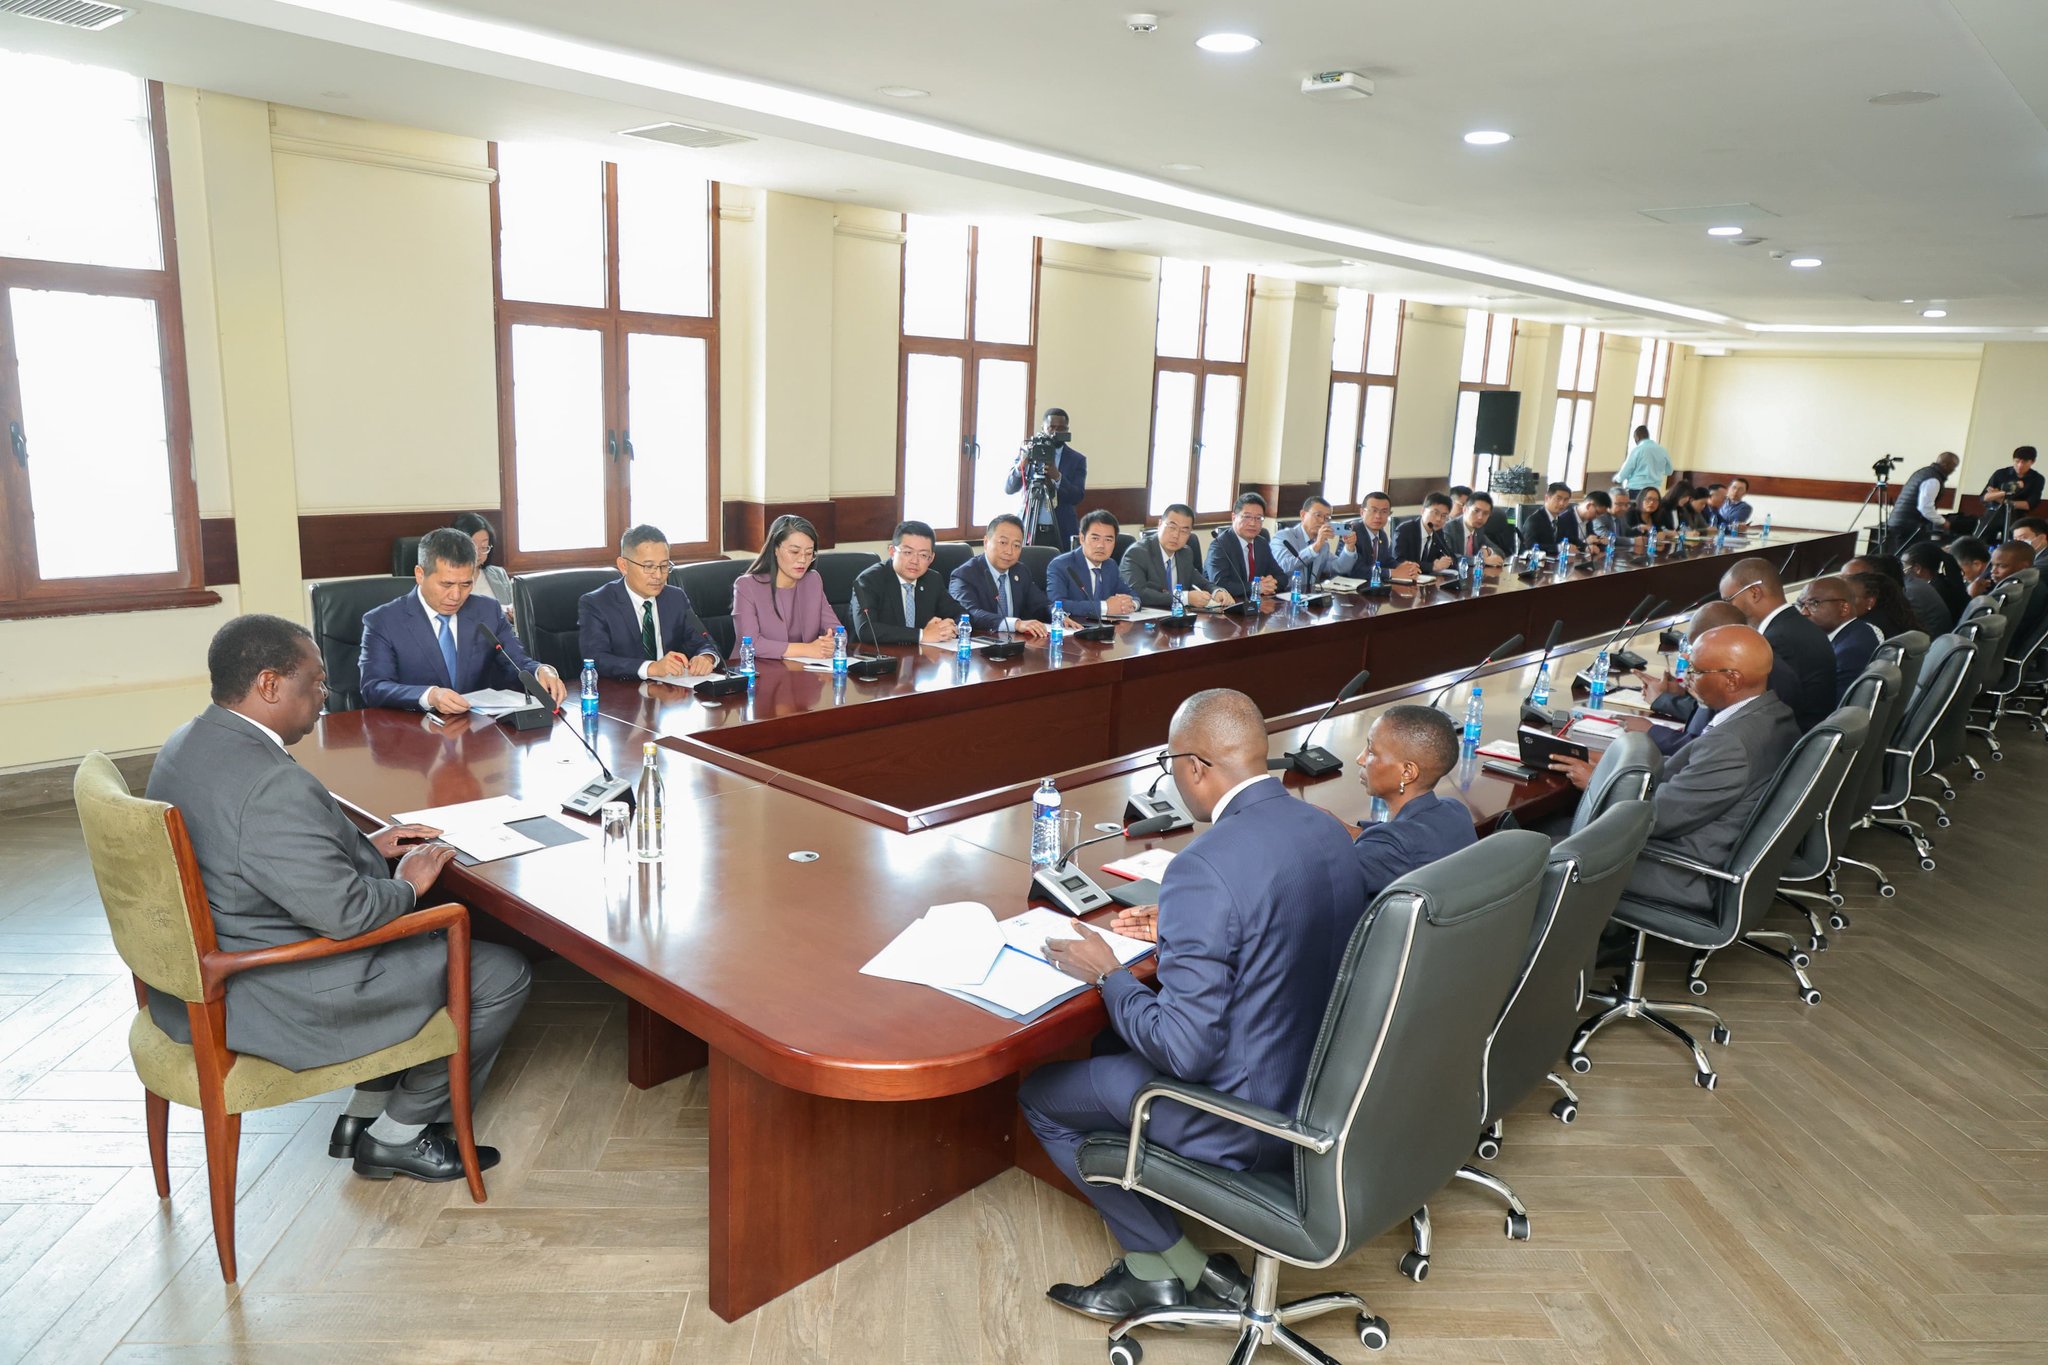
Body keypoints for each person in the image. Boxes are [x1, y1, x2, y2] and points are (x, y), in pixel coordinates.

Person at [1022, 688, 1368, 1320]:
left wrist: (1108, 976)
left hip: (1242, 1115)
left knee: (1041, 1096)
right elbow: (1281, 926)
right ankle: (1177, 1257)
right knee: (1105, 1050)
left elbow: (1184, 1052)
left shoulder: (1203, 868)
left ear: (1195, 767)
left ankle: (1166, 1263)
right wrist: (1184, 929)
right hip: (1320, 1086)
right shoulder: (1323, 826)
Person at [149, 614, 529, 1183]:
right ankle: (397, 1137)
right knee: (501, 970)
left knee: (432, 945)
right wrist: (409, 882)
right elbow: (347, 914)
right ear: (270, 685)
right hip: (275, 991)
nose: (324, 696)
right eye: (317, 682)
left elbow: (260, 856)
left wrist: (368, 847)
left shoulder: (191, 742)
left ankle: (363, 1113)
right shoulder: (270, 782)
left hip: (207, 970)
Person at [1550, 625, 1799, 912]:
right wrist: (1614, 761)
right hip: (1703, 843)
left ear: (1732, 680)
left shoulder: (1731, 744)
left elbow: (1656, 817)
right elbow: (1690, 773)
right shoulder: (1772, 714)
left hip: (1682, 868)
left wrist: (1601, 782)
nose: (1687, 678)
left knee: (1542, 853)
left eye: (1696, 671)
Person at [362, 529, 566, 713]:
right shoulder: (383, 621)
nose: (456, 595)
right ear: (420, 574)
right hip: (415, 736)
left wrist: (542, 671)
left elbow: (516, 662)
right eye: (446, 584)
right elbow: (374, 687)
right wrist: (430, 696)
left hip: (479, 733)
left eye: (466, 584)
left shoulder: (488, 611)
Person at [1349, 705, 1477, 898]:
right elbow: (1405, 833)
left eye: (1372, 751)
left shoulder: (1391, 849)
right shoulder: (1456, 810)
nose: (1360, 759)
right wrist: (1341, 828)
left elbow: (1319, 878)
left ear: (1407, 772)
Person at [577, 524, 723, 682]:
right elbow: (596, 659)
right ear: (623, 566)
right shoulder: (597, 603)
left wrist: (706, 657)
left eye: (664, 566)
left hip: (672, 694)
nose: (659, 575)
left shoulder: (675, 598)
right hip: (624, 695)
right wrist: (652, 668)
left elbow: (703, 641)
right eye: (648, 567)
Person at [1718, 558, 1835, 731]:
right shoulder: (1797, 626)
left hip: (1789, 744)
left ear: (1754, 593)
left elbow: (1756, 711)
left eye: (1729, 600)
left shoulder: (1777, 641)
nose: (1727, 609)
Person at [1631, 602, 1748, 756]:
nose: (1689, 657)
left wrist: (1650, 730)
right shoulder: (1738, 665)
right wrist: (1682, 692)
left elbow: (1701, 748)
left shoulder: (1733, 678)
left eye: (1696, 648)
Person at [732, 514, 837, 660]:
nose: (802, 560)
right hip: (756, 672)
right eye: (794, 552)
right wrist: (807, 649)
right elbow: (751, 643)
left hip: (803, 672)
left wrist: (832, 642)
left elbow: (836, 630)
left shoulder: (813, 580)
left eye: (809, 553)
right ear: (775, 548)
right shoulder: (746, 586)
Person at [851, 520, 967, 645]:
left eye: (923, 555)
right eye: (907, 552)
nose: (915, 561)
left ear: (931, 558)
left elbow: (961, 615)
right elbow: (866, 629)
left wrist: (947, 628)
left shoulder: (932, 580)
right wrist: (922, 635)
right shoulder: (870, 580)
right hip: (880, 657)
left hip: (922, 657)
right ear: (892, 551)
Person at [952, 513, 1054, 636]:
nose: (1009, 551)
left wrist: (1057, 615)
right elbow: (970, 614)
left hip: (1016, 644)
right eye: (1003, 542)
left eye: (1016, 545)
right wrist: (1015, 624)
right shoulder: (965, 575)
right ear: (986, 542)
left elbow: (1040, 605)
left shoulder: (1020, 571)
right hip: (982, 646)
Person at [1121, 503, 1233, 610]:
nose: (1176, 535)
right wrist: (1184, 598)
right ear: (1160, 524)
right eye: (1172, 527)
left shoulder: (1185, 553)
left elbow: (1200, 581)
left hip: (1179, 620)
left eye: (1184, 531)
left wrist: (1217, 591)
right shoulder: (1137, 553)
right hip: (1147, 623)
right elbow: (1138, 593)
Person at [1005, 407, 1088, 549]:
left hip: (1061, 530)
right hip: (1029, 528)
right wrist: (1021, 467)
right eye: (1052, 427)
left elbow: (1077, 496)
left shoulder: (1077, 459)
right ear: (1043, 428)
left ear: (1067, 430)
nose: (1056, 432)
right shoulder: (1029, 452)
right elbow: (1009, 488)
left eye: (1061, 428)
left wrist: (1057, 477)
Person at [1796, 575, 1883, 701]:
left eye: (1814, 603)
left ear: (1844, 608)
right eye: (1801, 605)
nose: (1803, 612)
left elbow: (1837, 709)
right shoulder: (1860, 629)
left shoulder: (1850, 651)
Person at [1047, 509, 1140, 619]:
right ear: (1082, 538)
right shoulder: (1061, 565)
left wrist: (1131, 604)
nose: (1101, 545)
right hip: (1075, 629)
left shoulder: (1110, 565)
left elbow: (1132, 595)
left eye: (1108, 540)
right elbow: (1057, 604)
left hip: (1106, 630)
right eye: (1095, 538)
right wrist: (1105, 607)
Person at [1204, 493, 1285, 598]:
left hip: (1258, 605)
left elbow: (1282, 577)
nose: (1252, 523)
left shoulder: (1261, 543)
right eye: (1247, 517)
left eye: (1258, 518)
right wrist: (1257, 587)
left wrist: (1270, 584)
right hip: (1227, 608)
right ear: (1234, 517)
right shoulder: (1219, 546)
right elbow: (1219, 585)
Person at [1272, 495, 1358, 581]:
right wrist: (1316, 547)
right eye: (1318, 515)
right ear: (1303, 515)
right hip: (1286, 592)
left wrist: (1349, 547)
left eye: (1327, 518)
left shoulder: (1323, 545)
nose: (1322, 521)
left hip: (1312, 593)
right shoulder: (1283, 537)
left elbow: (1340, 568)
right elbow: (1283, 568)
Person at [450, 512, 515, 625]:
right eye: (473, 546)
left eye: (484, 547)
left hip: (501, 639)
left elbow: (513, 609)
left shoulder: (498, 574)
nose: (478, 554)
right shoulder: (444, 579)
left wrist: (513, 616)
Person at [1885, 450, 1960, 549]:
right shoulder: (1933, 480)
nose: (1953, 470)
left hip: (1898, 521)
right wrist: (1943, 522)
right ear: (1945, 465)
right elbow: (1925, 508)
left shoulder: (1923, 472)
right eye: (1953, 467)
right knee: (1910, 558)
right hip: (1909, 526)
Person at [1975, 446, 2042, 542]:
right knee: (1979, 540)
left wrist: (1999, 497)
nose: (2019, 465)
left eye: (2024, 462)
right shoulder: (2000, 473)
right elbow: (1985, 497)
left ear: (2032, 462)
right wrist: (2006, 491)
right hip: (1993, 512)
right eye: (2017, 461)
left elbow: (2029, 504)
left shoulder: (2037, 479)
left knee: (2012, 543)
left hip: (2016, 516)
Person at [1348, 490, 1419, 577]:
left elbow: (1385, 560)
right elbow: (1356, 570)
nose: (1378, 516)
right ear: (1362, 512)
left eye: (1384, 511)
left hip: (1374, 586)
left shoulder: (1382, 534)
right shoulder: (1352, 532)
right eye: (1374, 510)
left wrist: (1402, 567)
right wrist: (1393, 573)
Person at [1903, 541, 1966, 631]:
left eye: (1904, 566)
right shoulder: (1944, 583)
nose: (1902, 571)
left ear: (1917, 568)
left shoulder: (1929, 592)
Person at [1393, 492, 1457, 572]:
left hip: (1426, 580)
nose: (1438, 519)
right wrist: (1432, 566)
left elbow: (1451, 557)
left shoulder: (1438, 532)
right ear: (1423, 511)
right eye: (1435, 513)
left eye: (1444, 516)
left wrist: (1446, 561)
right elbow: (1398, 560)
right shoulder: (1405, 530)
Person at [1844, 567, 1915, 639]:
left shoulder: (1866, 628)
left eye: (1850, 597)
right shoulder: (1890, 618)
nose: (1842, 602)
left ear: (1870, 602)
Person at [1452, 492, 1508, 566]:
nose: (1480, 517)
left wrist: (1488, 551)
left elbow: (1499, 552)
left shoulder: (1478, 529)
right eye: (1476, 511)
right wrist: (1480, 560)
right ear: (1465, 509)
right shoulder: (1450, 528)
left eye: (1485, 513)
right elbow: (1450, 557)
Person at [1518, 482, 1573, 556]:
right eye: (1558, 498)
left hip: (1554, 563)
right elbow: (1530, 546)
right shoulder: (1534, 520)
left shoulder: (1561, 521)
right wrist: (1559, 548)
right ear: (1547, 498)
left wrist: (1585, 547)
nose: (1562, 503)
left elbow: (1571, 540)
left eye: (1566, 500)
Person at [1618, 425, 1674, 493]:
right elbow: (1669, 471)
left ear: (1637, 437)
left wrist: (1617, 480)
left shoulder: (1637, 450)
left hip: (1636, 489)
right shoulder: (1662, 450)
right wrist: (1656, 472)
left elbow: (1626, 470)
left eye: (1634, 438)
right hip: (1654, 490)